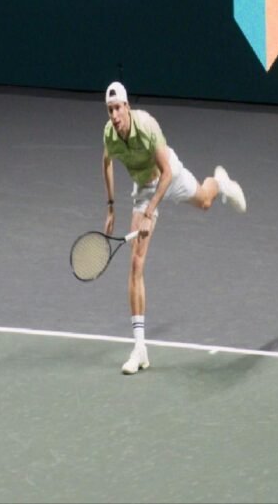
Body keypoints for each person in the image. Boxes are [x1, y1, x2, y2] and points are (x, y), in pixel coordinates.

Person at [101, 81, 244, 375]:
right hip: (142, 187)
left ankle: (221, 183)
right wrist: (112, 207)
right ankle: (139, 348)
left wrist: (150, 212)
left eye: (118, 108)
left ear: (127, 106)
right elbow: (106, 163)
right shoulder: (109, 135)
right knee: (135, 264)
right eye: (109, 109)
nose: (114, 115)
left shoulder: (148, 126)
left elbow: (166, 173)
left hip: (169, 175)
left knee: (205, 201)